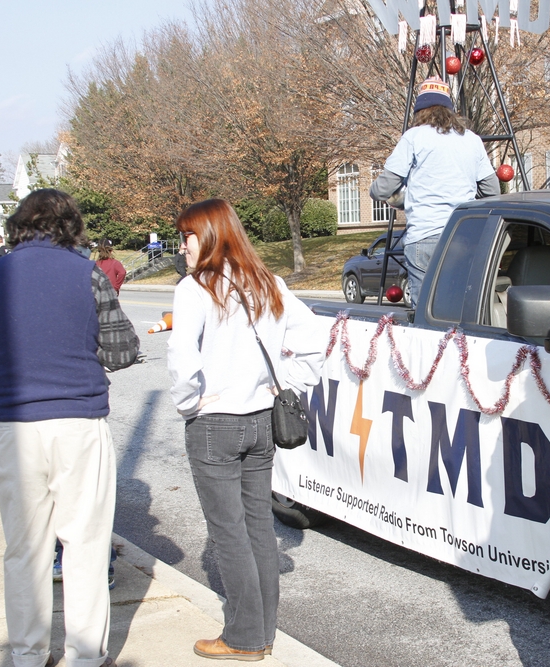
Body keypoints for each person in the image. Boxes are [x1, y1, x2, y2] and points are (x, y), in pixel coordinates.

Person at [0, 189, 139, 667]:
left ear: (20, 225)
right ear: (71, 227)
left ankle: (26, 654)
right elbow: (123, 351)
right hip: (78, 422)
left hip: (15, 425)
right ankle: (83, 656)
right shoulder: (86, 274)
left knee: (25, 550)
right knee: (84, 545)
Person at [167, 198, 324, 661]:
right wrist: (288, 385)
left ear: (211, 235)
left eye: (187, 236)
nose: (182, 247)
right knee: (257, 525)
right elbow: (315, 338)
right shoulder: (266, 283)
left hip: (215, 424)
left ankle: (243, 637)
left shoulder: (195, 289)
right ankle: (263, 631)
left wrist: (189, 404)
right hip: (261, 422)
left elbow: (183, 361)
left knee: (229, 531)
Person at [370, 76, 500, 302]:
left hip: (425, 236)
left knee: (426, 317)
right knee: (460, 308)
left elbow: (383, 189)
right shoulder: (472, 140)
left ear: (420, 110)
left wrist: (402, 198)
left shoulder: (414, 137)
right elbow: (492, 190)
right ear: (450, 109)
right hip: (463, 235)